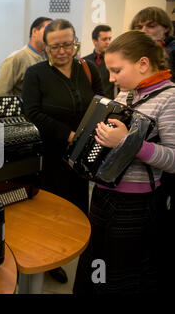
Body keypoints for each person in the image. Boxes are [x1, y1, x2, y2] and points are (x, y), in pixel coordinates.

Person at [73, 30, 175, 294]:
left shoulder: (169, 98)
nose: (111, 79)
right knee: (96, 260)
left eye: (117, 70)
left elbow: (173, 159)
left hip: (136, 205)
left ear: (143, 63)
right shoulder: (124, 95)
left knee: (123, 272)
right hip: (103, 195)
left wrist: (129, 142)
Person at [22, 19, 104, 284]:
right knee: (51, 209)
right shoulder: (36, 74)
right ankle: (48, 258)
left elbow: (100, 102)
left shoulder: (87, 68)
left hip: (82, 153)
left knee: (78, 204)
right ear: (45, 46)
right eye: (54, 47)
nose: (61, 51)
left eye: (67, 45)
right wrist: (68, 134)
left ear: (75, 41)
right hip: (52, 153)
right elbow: (31, 112)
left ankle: (71, 250)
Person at [0, 17, 52, 96]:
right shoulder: (16, 58)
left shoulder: (50, 58)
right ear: (34, 31)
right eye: (48, 31)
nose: (51, 35)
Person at [130, 6, 175, 79]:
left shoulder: (172, 50)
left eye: (151, 26)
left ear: (166, 28)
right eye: (138, 27)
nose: (143, 31)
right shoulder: (134, 52)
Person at [83, 25, 116, 99]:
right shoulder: (84, 62)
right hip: (89, 104)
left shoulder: (115, 61)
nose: (108, 42)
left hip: (109, 104)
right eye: (104, 39)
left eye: (109, 39)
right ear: (94, 41)